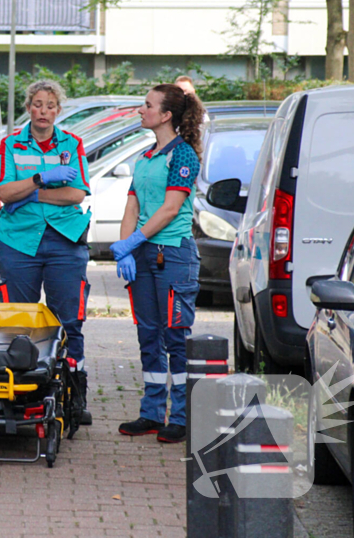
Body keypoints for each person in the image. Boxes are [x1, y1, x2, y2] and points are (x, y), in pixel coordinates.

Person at [0, 79, 93, 425]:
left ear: (58, 110)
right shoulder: (10, 144)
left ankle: (74, 396)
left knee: (69, 323)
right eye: (37, 104)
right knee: (19, 322)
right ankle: (20, 395)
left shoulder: (72, 143)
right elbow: (4, 193)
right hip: (19, 242)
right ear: (28, 107)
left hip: (65, 239)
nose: (44, 111)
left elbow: (76, 194)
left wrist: (30, 195)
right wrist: (40, 179)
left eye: (51, 105)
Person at [113, 83, 205, 444]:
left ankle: (181, 417)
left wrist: (136, 239)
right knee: (148, 335)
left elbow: (170, 209)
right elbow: (132, 206)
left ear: (166, 115)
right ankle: (152, 413)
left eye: (147, 105)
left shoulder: (182, 156)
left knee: (175, 338)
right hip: (144, 255)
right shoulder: (146, 157)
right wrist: (124, 247)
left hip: (173, 255)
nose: (141, 110)